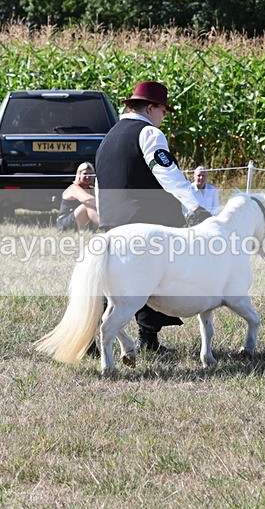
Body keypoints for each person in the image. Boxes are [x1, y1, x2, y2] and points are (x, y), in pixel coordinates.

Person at [95, 81, 212, 353]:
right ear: (150, 108)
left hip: (112, 221)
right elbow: (168, 175)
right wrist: (197, 208)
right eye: (163, 110)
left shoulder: (108, 137)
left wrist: (105, 220)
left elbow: (101, 184)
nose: (164, 116)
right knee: (158, 277)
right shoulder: (149, 133)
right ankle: (148, 340)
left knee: (111, 283)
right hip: (145, 219)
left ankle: (94, 341)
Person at [56, 162, 99, 231]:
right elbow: (87, 200)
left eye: (90, 174)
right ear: (79, 175)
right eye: (85, 174)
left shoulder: (92, 189)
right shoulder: (74, 188)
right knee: (87, 205)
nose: (88, 177)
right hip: (64, 223)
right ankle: (104, 226)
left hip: (82, 223)